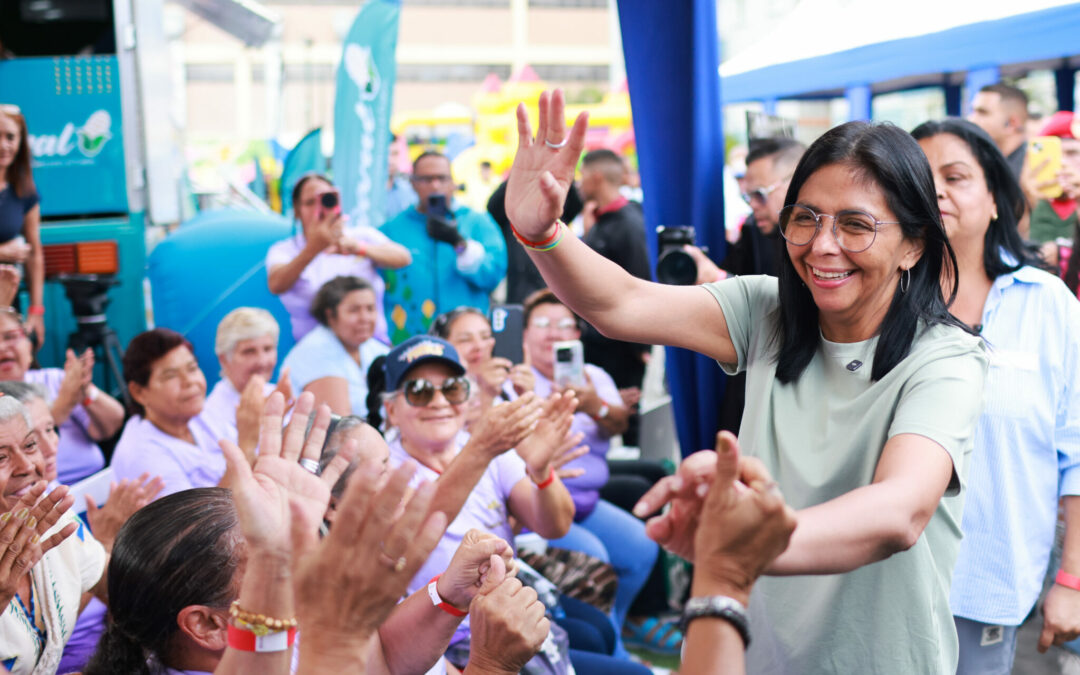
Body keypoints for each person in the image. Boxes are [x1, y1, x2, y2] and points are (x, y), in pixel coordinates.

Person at [507, 90, 989, 672]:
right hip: (745, 651)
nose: (823, 244)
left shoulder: (946, 358)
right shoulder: (766, 310)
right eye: (805, 218)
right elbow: (619, 302)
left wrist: (736, 552)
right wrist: (541, 233)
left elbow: (898, 511)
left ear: (914, 243)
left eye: (856, 225)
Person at [86, 391, 543, 675]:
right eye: (268, 563)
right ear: (209, 625)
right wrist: (491, 664)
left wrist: (448, 596)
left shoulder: (269, 632)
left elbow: (379, 659)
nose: (297, 568)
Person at [912, 118, 1080, 673]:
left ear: (994, 202)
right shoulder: (877, 303)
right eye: (918, 176)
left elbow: (1076, 453)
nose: (935, 189)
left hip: (988, 587)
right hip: (878, 577)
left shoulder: (1048, 304)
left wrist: (1072, 580)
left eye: (955, 176)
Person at [519, 289, 666, 655]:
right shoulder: (513, 381)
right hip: (539, 507)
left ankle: (616, 627)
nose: (554, 333)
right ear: (524, 335)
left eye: (564, 325)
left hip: (587, 501)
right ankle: (610, 649)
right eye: (542, 324)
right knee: (598, 558)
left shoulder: (592, 376)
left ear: (577, 335)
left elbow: (618, 423)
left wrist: (593, 404)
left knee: (642, 547)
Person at [0, 396, 105, 674]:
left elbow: (122, 587)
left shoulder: (50, 517)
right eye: (1, 457)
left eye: (30, 446)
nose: (27, 467)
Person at [266, 173, 411, 344]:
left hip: (371, 347)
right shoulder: (285, 250)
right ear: (297, 210)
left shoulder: (361, 236)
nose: (318, 208)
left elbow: (403, 257)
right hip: (317, 353)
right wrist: (313, 249)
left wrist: (360, 248)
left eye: (325, 199)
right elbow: (276, 284)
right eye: (310, 202)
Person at [380, 152, 507, 343]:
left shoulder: (477, 222)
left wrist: (460, 244)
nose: (435, 185)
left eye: (441, 178)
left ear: (453, 183)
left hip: (467, 345)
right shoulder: (391, 230)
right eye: (426, 179)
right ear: (413, 183)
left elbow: (493, 276)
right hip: (410, 342)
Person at [0, 309, 125, 484]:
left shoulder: (53, 378)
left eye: (10, 336)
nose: (2, 347)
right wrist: (64, 404)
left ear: (29, 345)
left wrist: (86, 392)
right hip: (44, 497)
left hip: (98, 483)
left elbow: (110, 425)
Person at [110, 328, 225, 496]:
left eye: (192, 368)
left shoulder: (200, 414)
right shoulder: (143, 456)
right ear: (139, 392)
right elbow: (198, 521)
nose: (190, 382)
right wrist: (247, 446)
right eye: (171, 376)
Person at [281, 275, 389, 419]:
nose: (365, 318)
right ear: (330, 315)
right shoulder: (314, 352)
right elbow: (338, 431)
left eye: (370, 309)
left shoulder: (376, 349)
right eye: (354, 310)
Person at [201, 307, 292, 451]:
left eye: (268, 349)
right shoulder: (208, 418)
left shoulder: (279, 394)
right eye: (249, 351)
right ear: (224, 360)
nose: (262, 361)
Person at [487, 178, 584, 304]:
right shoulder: (511, 215)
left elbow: (577, 205)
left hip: (553, 290)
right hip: (519, 289)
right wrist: (520, 176)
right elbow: (492, 208)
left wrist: (560, 173)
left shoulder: (556, 214)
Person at [0, 104, 44, 345]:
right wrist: (3, 252)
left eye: (10, 137)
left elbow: (35, 252)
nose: (4, 145)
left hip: (6, 306)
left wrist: (36, 312)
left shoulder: (24, 190)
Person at [1020, 110, 1080, 254]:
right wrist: (1024, 201)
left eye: (1072, 153)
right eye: (1055, 154)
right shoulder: (1028, 196)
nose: (1063, 162)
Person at [968, 83, 1030, 179]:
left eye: (982, 112)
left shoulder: (1033, 167)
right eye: (973, 112)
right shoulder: (982, 163)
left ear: (1011, 124)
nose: (972, 119)